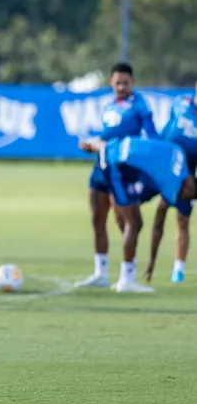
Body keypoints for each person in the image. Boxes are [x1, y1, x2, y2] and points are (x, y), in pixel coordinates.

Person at [76, 63, 158, 290]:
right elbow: (107, 136)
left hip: (122, 171)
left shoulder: (140, 106)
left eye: (126, 83)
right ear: (111, 83)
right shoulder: (110, 106)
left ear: (133, 82)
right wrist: (92, 142)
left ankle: (127, 278)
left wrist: (106, 146)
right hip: (101, 168)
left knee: (129, 221)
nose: (121, 87)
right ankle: (100, 273)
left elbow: (151, 138)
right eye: (117, 83)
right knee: (98, 220)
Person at [80, 136, 197, 292]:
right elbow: (159, 221)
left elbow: (146, 147)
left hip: (114, 148)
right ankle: (126, 280)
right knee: (134, 223)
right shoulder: (173, 186)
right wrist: (152, 260)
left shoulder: (179, 153)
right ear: (189, 187)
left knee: (122, 219)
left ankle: (105, 274)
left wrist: (95, 145)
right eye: (186, 194)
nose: (183, 194)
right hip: (116, 166)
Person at [143, 90, 197, 283]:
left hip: (185, 176)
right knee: (155, 213)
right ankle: (147, 263)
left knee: (182, 219)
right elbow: (170, 127)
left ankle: (178, 270)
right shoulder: (181, 102)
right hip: (162, 165)